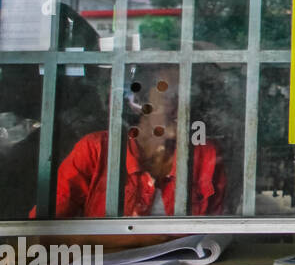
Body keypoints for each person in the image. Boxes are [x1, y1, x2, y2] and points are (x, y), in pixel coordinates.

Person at [32, 66, 227, 218]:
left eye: (189, 97)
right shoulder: (96, 150)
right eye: (170, 96)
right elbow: (42, 230)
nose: (181, 107)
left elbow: (216, 232)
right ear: (140, 102)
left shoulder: (205, 154)